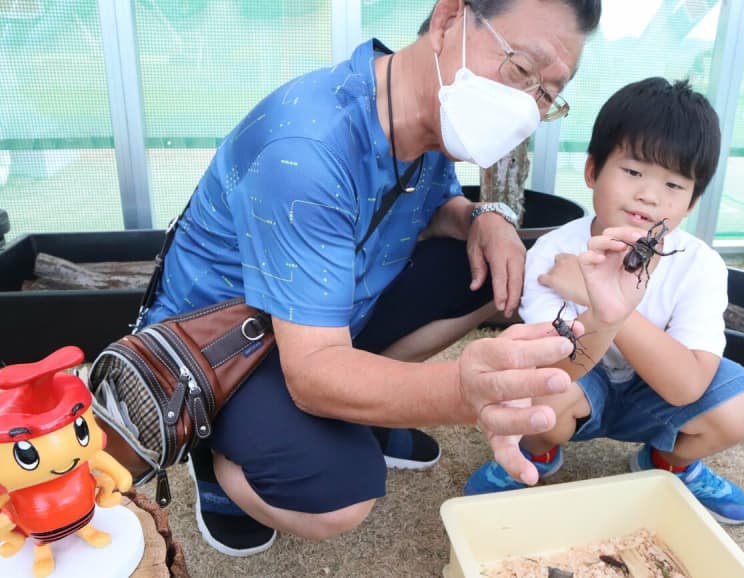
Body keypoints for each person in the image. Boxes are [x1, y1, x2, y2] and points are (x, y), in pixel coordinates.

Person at [142, 0, 609, 557]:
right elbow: (314, 372)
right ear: (447, 20)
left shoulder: (424, 108)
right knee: (340, 494)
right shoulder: (306, 150)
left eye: (546, 95)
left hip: (324, 311)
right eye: (521, 70)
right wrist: (463, 392)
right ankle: (217, 454)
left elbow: (432, 204)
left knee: (487, 270)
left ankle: (363, 406)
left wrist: (486, 218)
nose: (526, 107)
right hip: (224, 352)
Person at [464, 77, 744, 525]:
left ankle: (669, 462)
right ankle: (541, 452)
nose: (649, 195)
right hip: (585, 382)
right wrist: (604, 308)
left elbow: (686, 386)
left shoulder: (700, 264)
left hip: (656, 389)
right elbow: (554, 370)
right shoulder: (554, 253)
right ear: (591, 171)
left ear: (692, 202)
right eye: (633, 171)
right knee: (537, 388)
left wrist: (604, 302)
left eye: (674, 184)